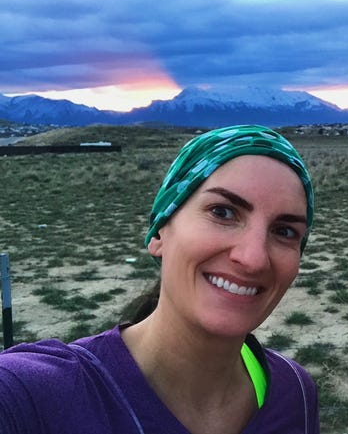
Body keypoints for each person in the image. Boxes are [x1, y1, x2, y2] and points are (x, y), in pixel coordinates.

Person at [0, 125, 320, 434]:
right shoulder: (35, 396)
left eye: (284, 231)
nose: (252, 258)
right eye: (222, 212)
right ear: (159, 233)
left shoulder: (295, 393)